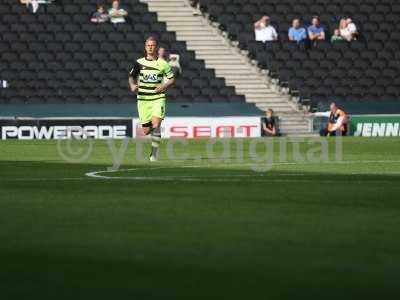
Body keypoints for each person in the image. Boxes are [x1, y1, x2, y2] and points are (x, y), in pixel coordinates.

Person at [129, 37, 176, 161]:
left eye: (153, 45)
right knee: (146, 131)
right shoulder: (139, 62)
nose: (150, 47)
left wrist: (164, 85)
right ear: (145, 47)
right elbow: (131, 77)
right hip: (143, 99)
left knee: (156, 124)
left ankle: (154, 154)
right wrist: (132, 85)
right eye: (148, 45)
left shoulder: (163, 64)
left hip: (157, 98)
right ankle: (155, 137)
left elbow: (172, 79)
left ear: (156, 47)